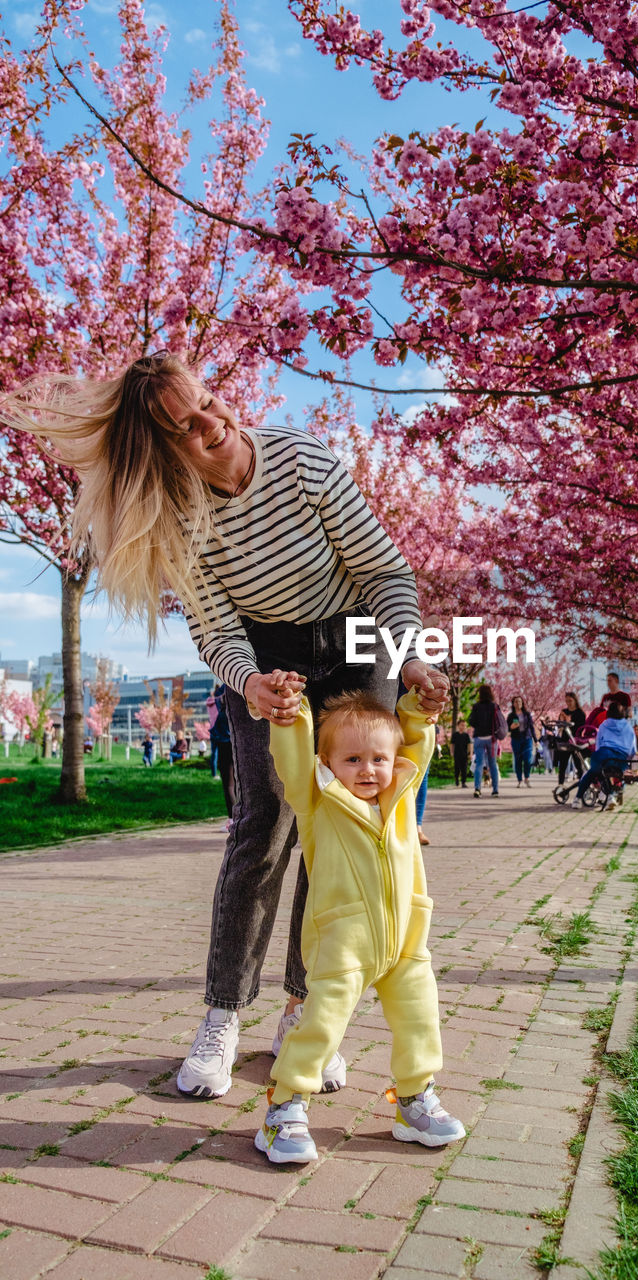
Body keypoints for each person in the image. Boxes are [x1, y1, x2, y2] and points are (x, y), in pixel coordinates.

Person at [3, 350, 447, 1102]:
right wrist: (251, 685)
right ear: (162, 451)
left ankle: (309, 1011)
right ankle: (223, 1014)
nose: (213, 423)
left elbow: (386, 573)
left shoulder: (299, 459)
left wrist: (406, 660)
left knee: (340, 831)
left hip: (360, 637)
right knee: (263, 825)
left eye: (208, 401)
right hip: (267, 657)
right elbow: (216, 629)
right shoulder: (174, 516)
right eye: (185, 426)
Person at [256, 682, 465, 1163]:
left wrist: (416, 710)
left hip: (406, 941)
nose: (367, 769)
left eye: (377, 759)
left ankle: (413, 1101)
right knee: (319, 1026)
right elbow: (292, 763)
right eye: (351, 760)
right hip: (343, 944)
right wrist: (291, 718)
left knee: (420, 1022)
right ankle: (284, 1108)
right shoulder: (318, 804)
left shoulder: (403, 794)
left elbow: (414, 739)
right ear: (327, 764)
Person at [570, 702, 635, 811]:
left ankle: (578, 798)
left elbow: (598, 746)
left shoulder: (604, 725)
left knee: (595, 771)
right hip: (621, 762)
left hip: (605, 756)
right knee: (602, 769)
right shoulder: (628, 727)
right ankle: (609, 797)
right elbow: (633, 750)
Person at [468, 684, 507, 797]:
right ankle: (495, 790)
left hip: (479, 738)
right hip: (492, 738)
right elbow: (499, 721)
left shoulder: (476, 706)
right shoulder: (494, 706)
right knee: (492, 764)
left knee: (479, 764)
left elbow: (471, 721)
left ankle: (477, 789)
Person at [210, 683, 236, 828]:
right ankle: (238, 818)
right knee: (238, 784)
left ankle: (232, 819)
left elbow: (215, 732)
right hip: (237, 745)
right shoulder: (237, 712)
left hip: (225, 746)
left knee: (229, 785)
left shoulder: (221, 714)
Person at [507, 694, 537, 788]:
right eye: (516, 701)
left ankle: (527, 778)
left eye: (519, 701)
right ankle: (519, 779)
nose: (518, 703)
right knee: (518, 760)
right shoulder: (511, 715)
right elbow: (507, 728)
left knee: (528, 759)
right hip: (516, 739)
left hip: (527, 738)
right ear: (513, 704)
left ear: (522, 703)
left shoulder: (527, 714)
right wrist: (511, 727)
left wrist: (536, 740)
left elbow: (531, 727)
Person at [451, 718, 472, 787]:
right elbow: (452, 744)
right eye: (462, 725)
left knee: (464, 769)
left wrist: (470, 753)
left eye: (464, 725)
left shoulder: (466, 735)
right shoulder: (455, 735)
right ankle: (456, 780)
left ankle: (463, 782)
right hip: (457, 754)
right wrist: (451, 752)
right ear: (458, 726)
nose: (463, 727)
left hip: (464, 754)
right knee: (457, 768)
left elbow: (470, 744)